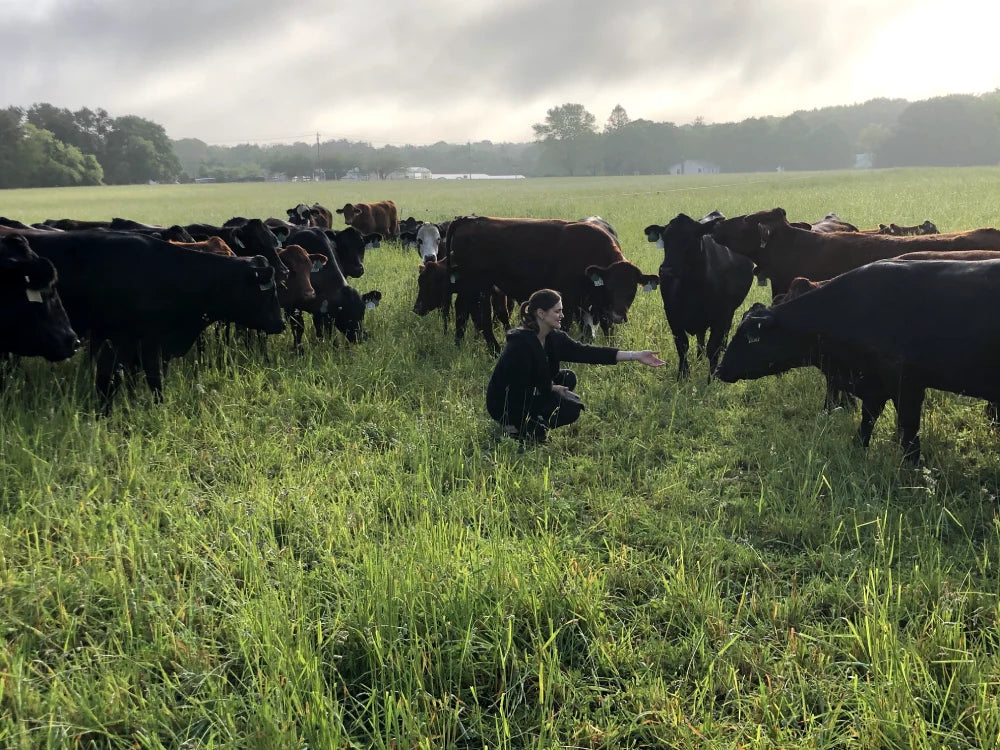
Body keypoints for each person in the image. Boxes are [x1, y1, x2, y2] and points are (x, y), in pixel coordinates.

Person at [486, 288, 665, 442]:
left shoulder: (554, 338)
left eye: (561, 310)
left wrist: (636, 355)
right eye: (557, 311)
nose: (562, 315)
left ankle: (535, 421)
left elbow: (588, 353)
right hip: (506, 403)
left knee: (568, 377)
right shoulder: (520, 345)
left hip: (530, 390)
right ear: (541, 313)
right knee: (571, 409)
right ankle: (514, 427)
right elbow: (518, 387)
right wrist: (552, 389)